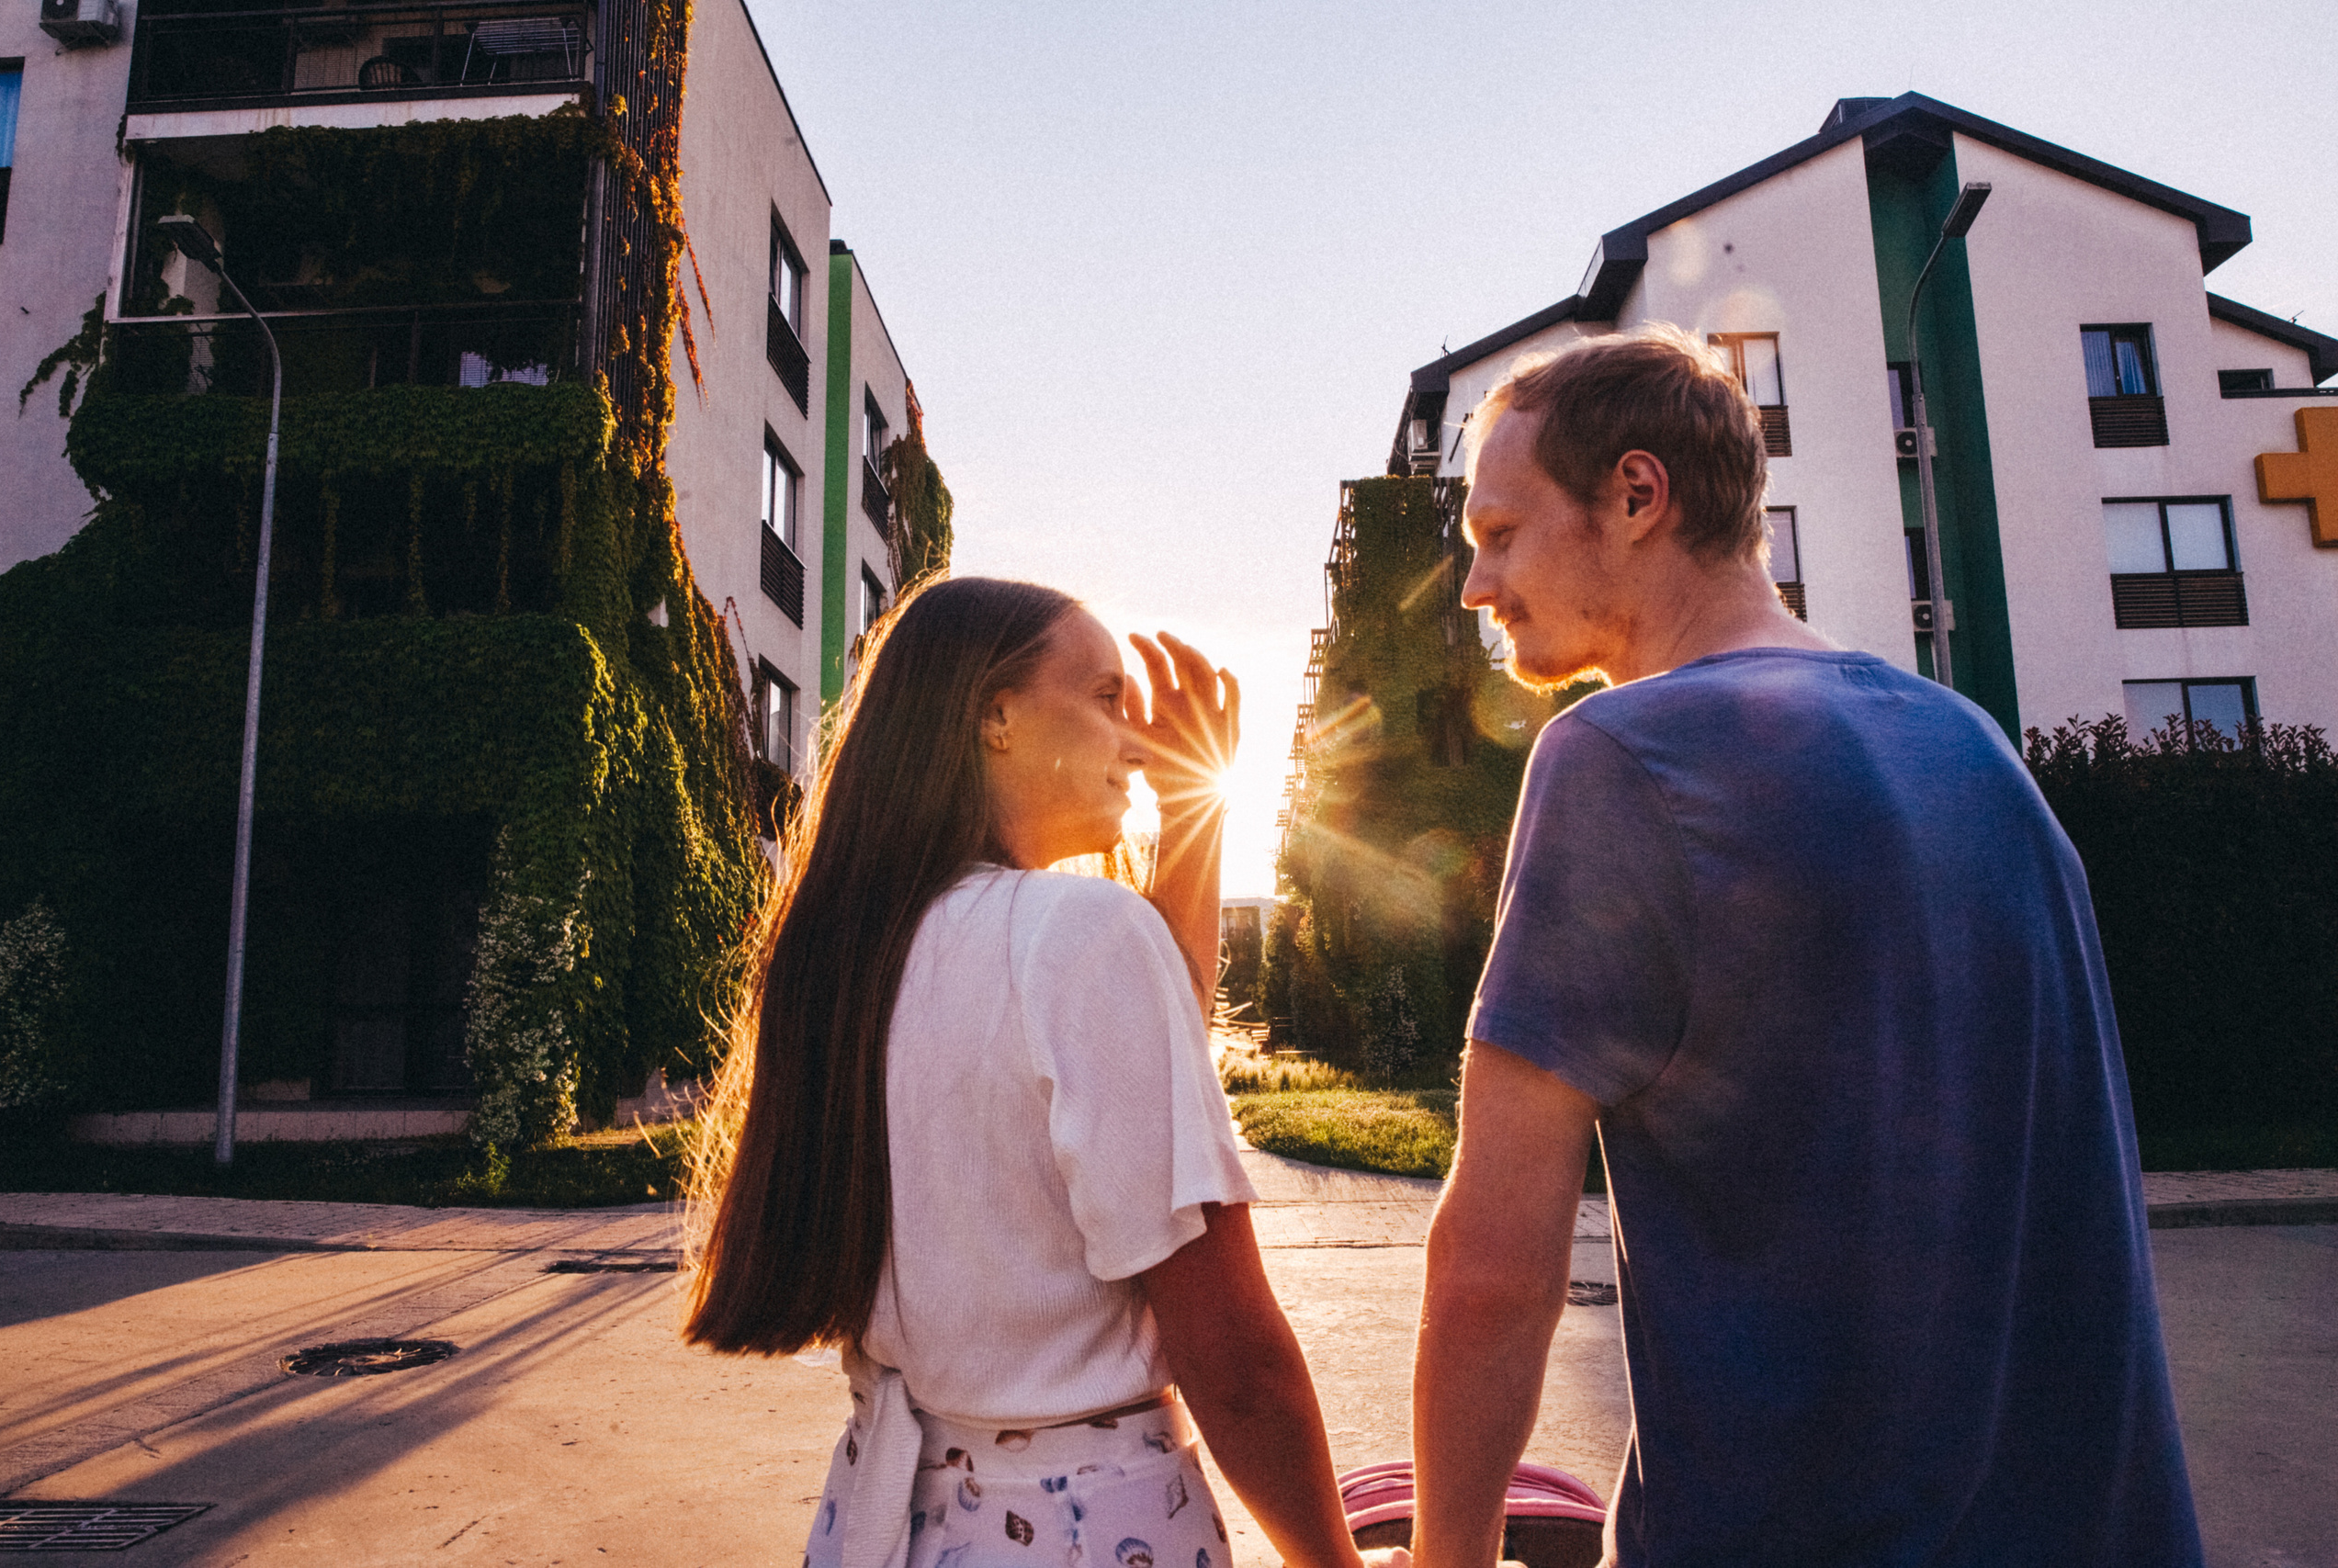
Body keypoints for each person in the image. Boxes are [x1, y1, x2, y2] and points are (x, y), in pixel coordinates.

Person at [1406, 325, 2203, 1566]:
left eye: (1500, 533)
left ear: (1635, 495)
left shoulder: (1619, 757)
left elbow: (1493, 1269)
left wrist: (1443, 1556)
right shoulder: (1973, 748)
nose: (1475, 585)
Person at [683, 577, 1367, 1568]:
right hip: (1081, 1530)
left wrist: (1193, 806)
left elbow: (1154, 1042)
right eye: (1105, 697)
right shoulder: (1079, 934)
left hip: (882, 1520)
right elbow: (1236, 1362)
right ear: (995, 715)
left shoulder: (847, 951)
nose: (1136, 743)